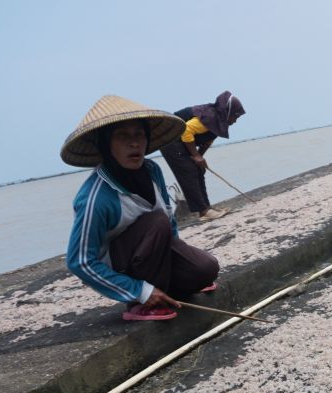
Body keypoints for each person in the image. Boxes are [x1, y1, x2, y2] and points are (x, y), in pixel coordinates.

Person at [61, 95, 220, 322]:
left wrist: (186, 263)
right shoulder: (96, 197)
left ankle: (165, 288)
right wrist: (139, 291)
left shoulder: (152, 170)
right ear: (106, 144)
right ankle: (140, 303)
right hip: (123, 269)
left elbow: (169, 222)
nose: (134, 143)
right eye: (122, 136)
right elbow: (80, 261)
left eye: (139, 135)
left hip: (154, 254)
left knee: (205, 269)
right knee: (156, 221)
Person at [159, 91, 246, 221]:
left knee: (199, 169)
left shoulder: (219, 121)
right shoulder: (210, 116)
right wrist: (196, 156)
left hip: (183, 141)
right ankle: (203, 212)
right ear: (227, 112)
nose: (235, 121)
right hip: (170, 139)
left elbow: (206, 141)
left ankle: (207, 207)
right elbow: (186, 130)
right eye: (235, 117)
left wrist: (199, 158)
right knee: (189, 172)